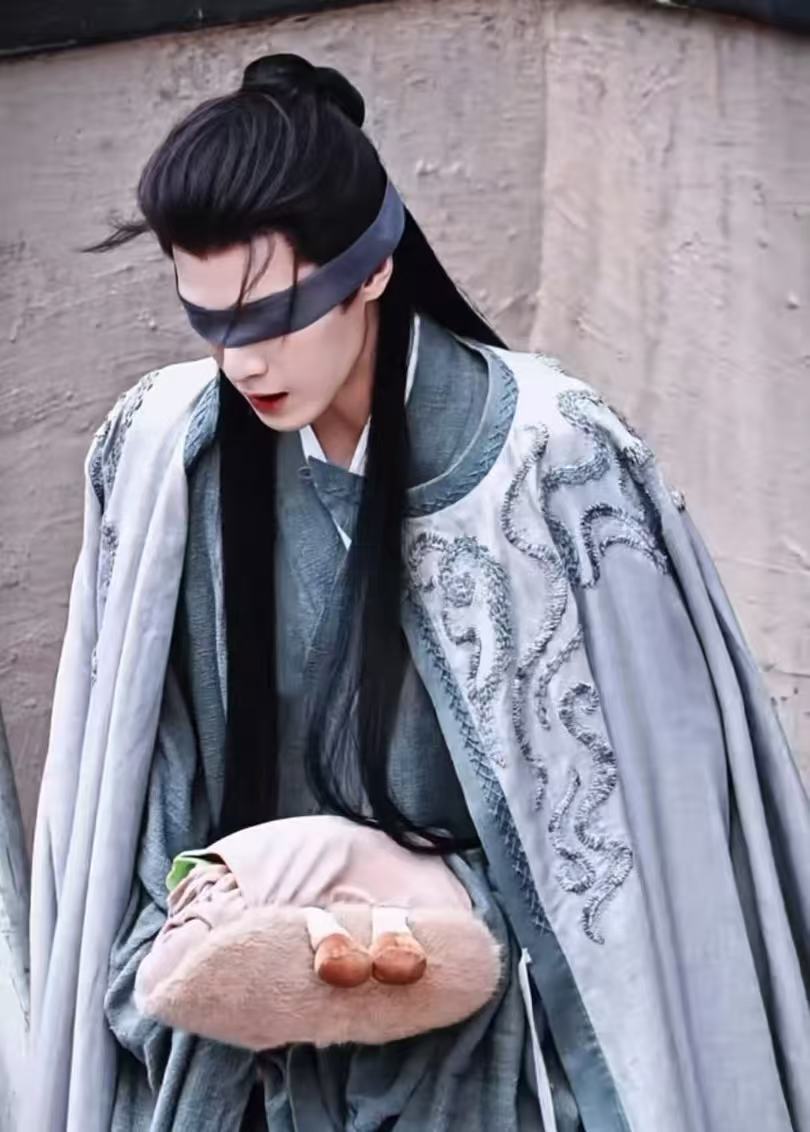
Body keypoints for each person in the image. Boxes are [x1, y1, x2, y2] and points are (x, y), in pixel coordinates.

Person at [26, 51, 810, 1132]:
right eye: (210, 323)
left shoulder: (549, 463)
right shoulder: (165, 451)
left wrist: (417, 884)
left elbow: (642, 877)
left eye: (272, 314)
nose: (242, 363)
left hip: (492, 1039)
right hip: (253, 1045)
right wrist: (208, 913)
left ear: (372, 271)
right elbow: (133, 795)